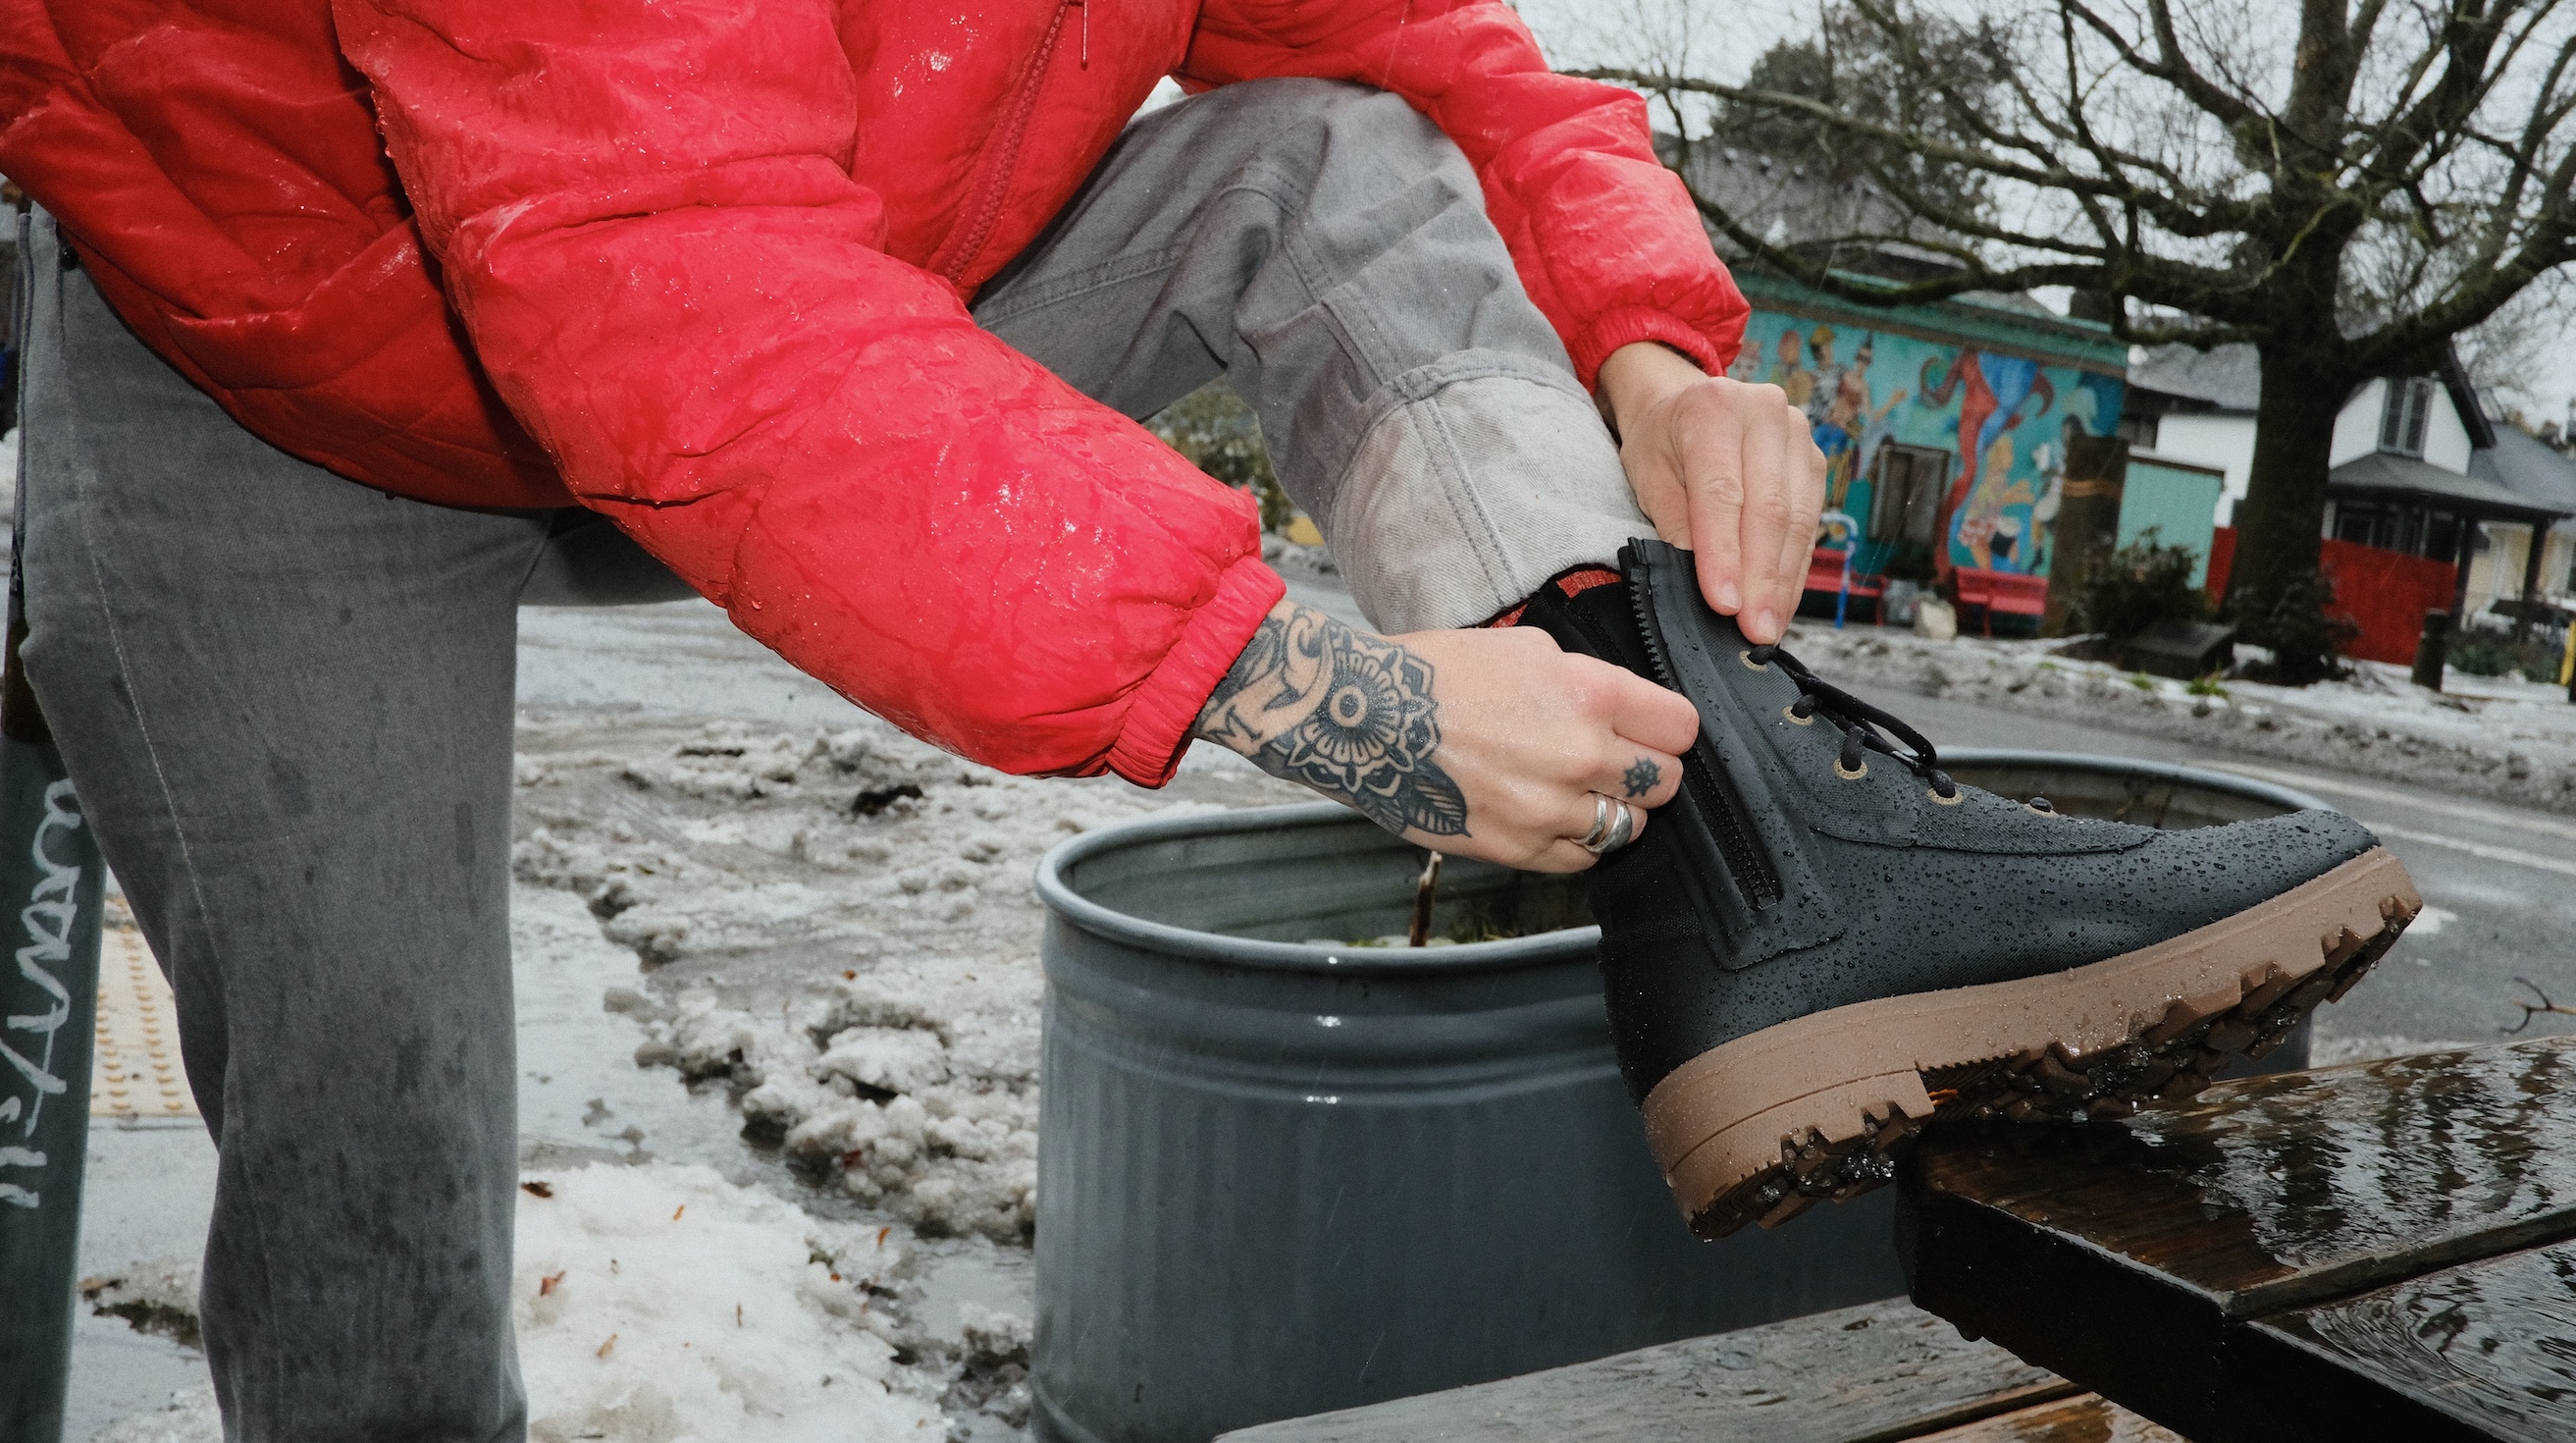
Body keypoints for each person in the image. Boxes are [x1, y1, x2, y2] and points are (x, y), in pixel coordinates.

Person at [1, 1, 2419, 1433]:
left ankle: (1746, 875)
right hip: (270, 399)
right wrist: (1321, 695)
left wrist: (1657, 346)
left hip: (831, 274)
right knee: (369, 1129)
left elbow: (1419, 52)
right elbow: (667, 294)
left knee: (1328, 160)